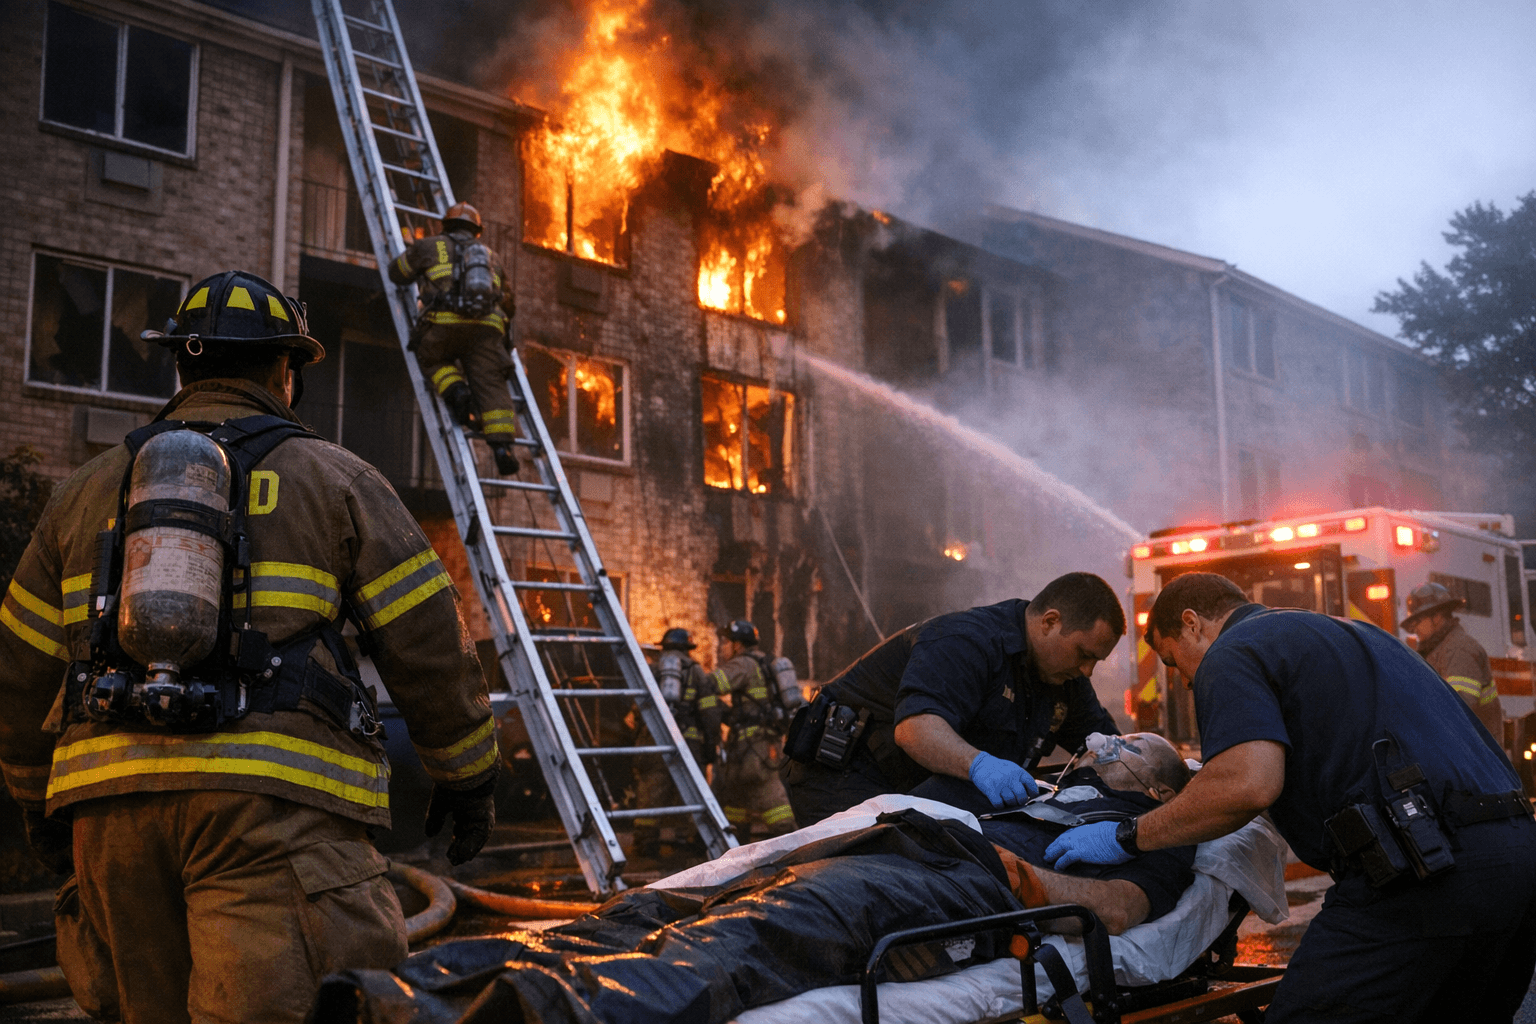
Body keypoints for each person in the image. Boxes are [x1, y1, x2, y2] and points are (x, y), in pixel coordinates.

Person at [0, 271, 501, 1024]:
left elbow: (17, 673)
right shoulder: (338, 480)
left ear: (181, 366)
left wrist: (39, 804)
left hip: (111, 822)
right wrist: (467, 777)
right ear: (285, 371)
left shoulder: (82, 492)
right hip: (273, 814)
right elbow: (428, 642)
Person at [317, 733, 1199, 1024]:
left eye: (1124, 746)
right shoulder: (1043, 792)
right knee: (654, 911)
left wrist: (1031, 877)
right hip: (895, 845)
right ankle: (412, 990)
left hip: (959, 882)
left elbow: (1122, 910)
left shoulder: (1156, 833)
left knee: (742, 941)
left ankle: (523, 1014)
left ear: (1159, 787)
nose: (1099, 744)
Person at [1046, 572, 1536, 1023]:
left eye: (1174, 662)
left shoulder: (1232, 652)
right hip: (1517, 863)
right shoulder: (1360, 636)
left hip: (1427, 876)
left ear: (1192, 624)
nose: (1187, 681)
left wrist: (1126, 836)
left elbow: (1247, 785)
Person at [783, 572, 1124, 826]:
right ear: (1050, 622)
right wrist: (981, 766)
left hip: (915, 785)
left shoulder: (1065, 676)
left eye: (1095, 660)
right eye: (1084, 654)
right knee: (882, 875)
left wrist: (1141, 767)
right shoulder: (966, 641)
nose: (1088, 670)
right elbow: (916, 730)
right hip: (842, 774)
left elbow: (1108, 747)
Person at [387, 201, 520, 475]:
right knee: (492, 384)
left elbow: (397, 274)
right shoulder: (492, 258)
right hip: (486, 330)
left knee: (431, 358)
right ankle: (503, 450)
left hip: (443, 325)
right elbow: (509, 304)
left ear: (446, 225)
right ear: (477, 230)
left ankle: (457, 391)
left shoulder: (429, 245)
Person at [633, 627, 722, 855]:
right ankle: (687, 839)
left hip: (654, 740)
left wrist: (640, 738)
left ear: (664, 647)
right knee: (689, 791)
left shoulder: (651, 670)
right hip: (688, 743)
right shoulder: (696, 671)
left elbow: (637, 709)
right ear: (687, 649)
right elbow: (710, 713)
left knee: (651, 790)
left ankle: (645, 841)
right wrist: (711, 743)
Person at [711, 619, 797, 840]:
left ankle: (791, 843)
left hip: (753, 747)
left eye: (725, 642)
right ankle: (738, 844)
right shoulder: (766, 662)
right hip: (761, 743)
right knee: (737, 796)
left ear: (737, 645)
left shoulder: (742, 664)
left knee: (767, 792)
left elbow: (711, 684)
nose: (722, 648)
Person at [1402, 581, 1505, 742]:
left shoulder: (1459, 650)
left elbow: (1457, 708)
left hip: (1474, 750)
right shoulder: (1436, 650)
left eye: (1418, 621)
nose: (1414, 629)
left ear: (1437, 617)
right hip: (1462, 747)